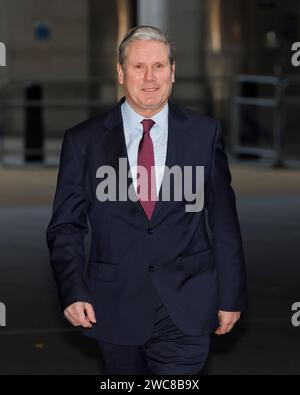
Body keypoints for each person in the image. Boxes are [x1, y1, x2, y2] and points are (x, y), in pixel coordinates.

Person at [46, 25, 248, 375]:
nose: (150, 77)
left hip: (188, 303)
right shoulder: (84, 141)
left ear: (173, 72)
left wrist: (231, 293)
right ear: (121, 73)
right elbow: (66, 225)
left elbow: (224, 222)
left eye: (159, 66)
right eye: (139, 67)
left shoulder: (204, 133)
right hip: (113, 304)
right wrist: (73, 288)